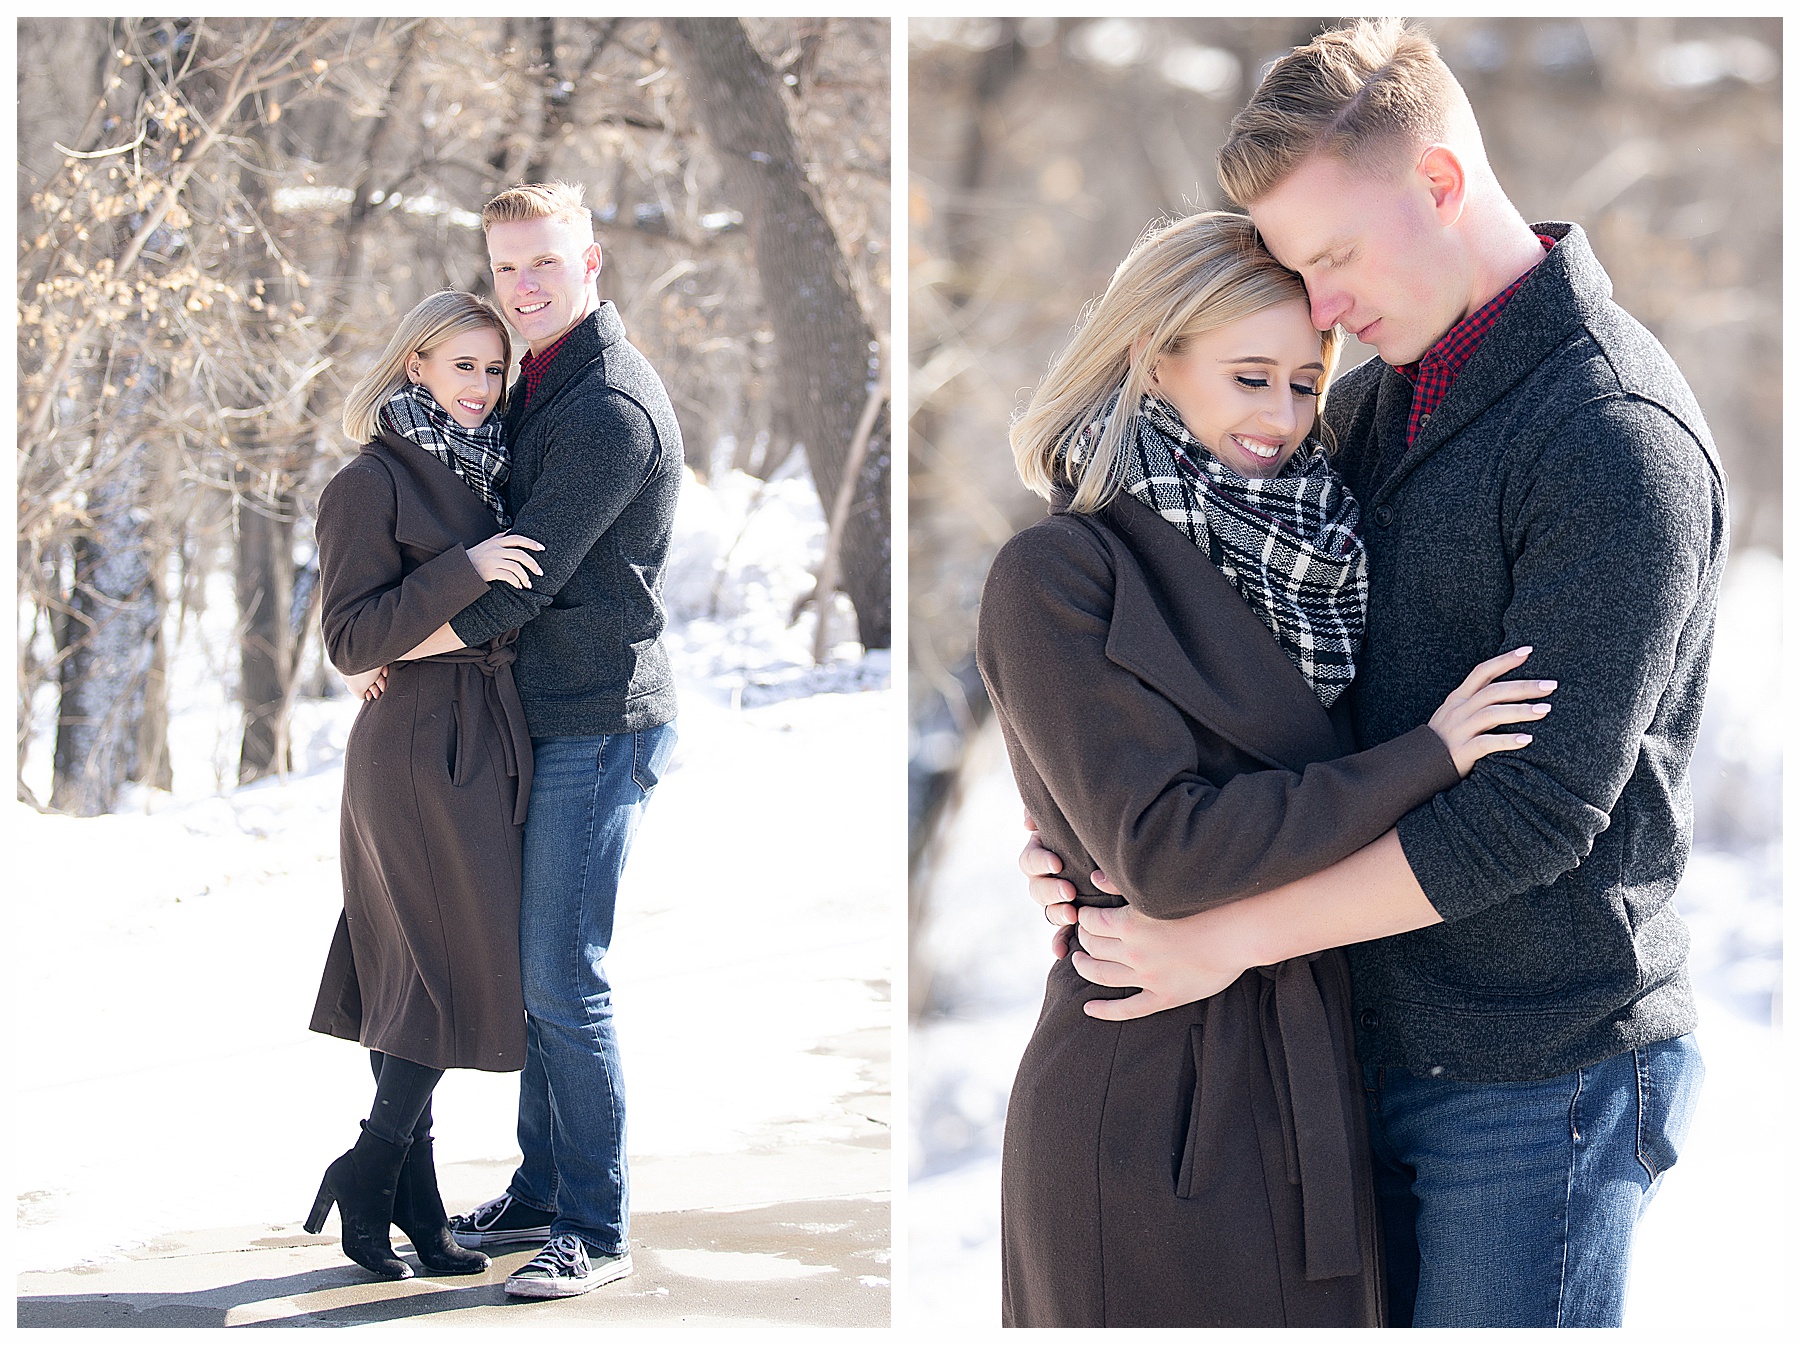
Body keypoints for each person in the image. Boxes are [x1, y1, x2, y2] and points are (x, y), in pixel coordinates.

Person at [1021, 19, 1726, 1329]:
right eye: (1301, 271)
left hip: (1537, 1073)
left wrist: (1221, 937)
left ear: (1442, 183)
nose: (1324, 310)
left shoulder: (1610, 437)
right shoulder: (1376, 407)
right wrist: (1077, 829)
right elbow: (1242, 690)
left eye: (1335, 257)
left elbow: (1532, 814)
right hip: (1357, 1036)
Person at [980, 209, 1554, 1327]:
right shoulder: (1057, 573)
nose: (1282, 418)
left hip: (1319, 1075)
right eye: (1250, 376)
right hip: (1153, 1092)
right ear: (1156, 357)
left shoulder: (1321, 553)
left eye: (1305, 381)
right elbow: (1170, 855)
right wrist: (1427, 757)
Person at [429, 181, 684, 1300]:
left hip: (596, 719)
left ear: (592, 262)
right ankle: (541, 1188)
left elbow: (524, 574)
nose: (523, 286)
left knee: (563, 979)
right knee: (540, 980)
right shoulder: (539, 380)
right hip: (546, 715)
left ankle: (597, 1223)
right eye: (506, 268)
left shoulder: (604, 409)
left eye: (544, 262)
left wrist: (403, 636)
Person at [306, 289, 547, 1280]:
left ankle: (413, 1201)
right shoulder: (369, 481)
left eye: (495, 370)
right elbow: (350, 639)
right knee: (436, 969)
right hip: (412, 749)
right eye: (463, 366)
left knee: (413, 971)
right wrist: (468, 570)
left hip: (479, 737)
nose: (482, 388)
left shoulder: (494, 470)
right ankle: (374, 1168)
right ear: (416, 365)